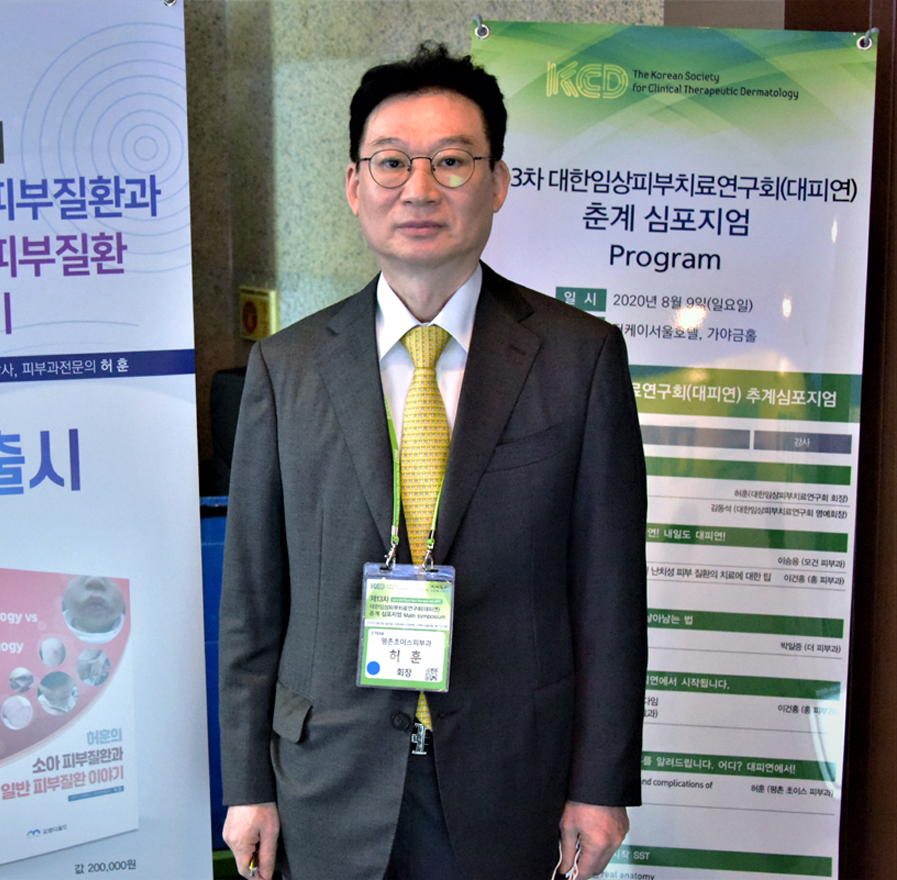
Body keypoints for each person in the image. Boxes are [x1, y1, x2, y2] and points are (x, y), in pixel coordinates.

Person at [218, 42, 647, 880]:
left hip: (510, 778)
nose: (419, 188)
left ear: (498, 182)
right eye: (391, 162)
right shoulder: (285, 367)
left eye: (452, 161)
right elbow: (252, 604)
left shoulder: (579, 359)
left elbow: (609, 595)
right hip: (326, 781)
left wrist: (600, 784)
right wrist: (246, 786)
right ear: (355, 185)